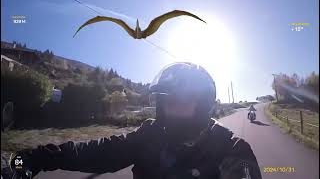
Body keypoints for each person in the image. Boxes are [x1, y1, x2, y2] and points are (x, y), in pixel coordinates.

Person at [5, 62, 262, 179]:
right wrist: (29, 158)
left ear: (203, 105)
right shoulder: (150, 135)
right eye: (166, 102)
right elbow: (98, 152)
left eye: (180, 102)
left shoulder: (233, 149)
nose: (170, 110)